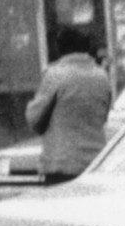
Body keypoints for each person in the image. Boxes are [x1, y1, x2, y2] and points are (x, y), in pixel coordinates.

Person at [25, 28, 113, 183]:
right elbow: (103, 117)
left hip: (61, 165)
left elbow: (34, 118)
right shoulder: (102, 76)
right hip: (96, 162)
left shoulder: (56, 75)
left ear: (60, 48)